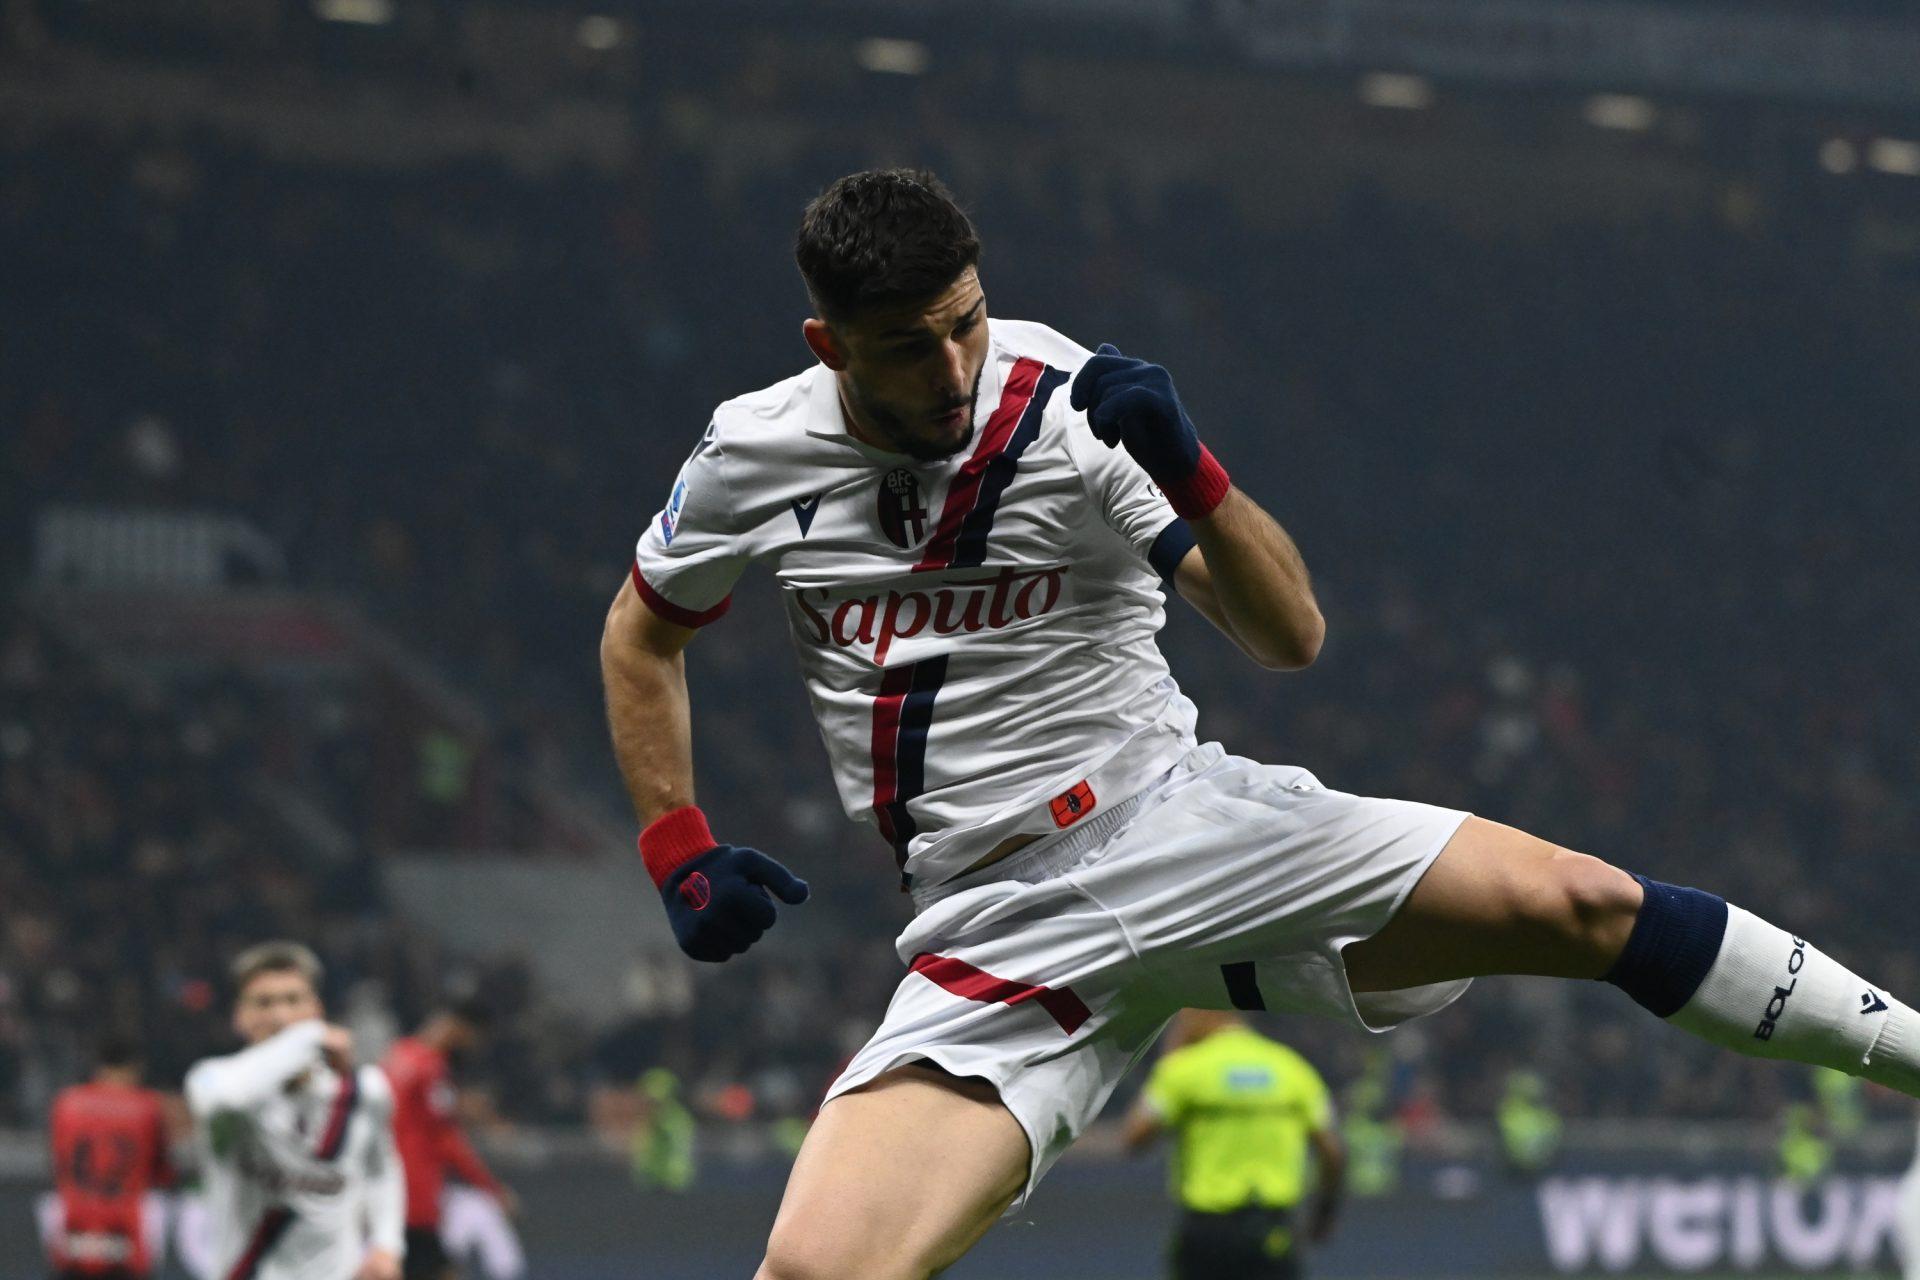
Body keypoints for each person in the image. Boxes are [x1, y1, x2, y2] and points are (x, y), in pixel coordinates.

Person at [597, 167, 1920, 1280]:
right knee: (812, 1273)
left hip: (1176, 828)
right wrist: (676, 845)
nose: (953, 369)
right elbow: (641, 635)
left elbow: (1290, 635)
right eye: (907, 345)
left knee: (1585, 904)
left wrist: (1197, 472)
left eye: (968, 323)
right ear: (828, 345)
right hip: (994, 926)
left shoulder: (1067, 410)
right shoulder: (751, 453)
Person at [184, 942, 404, 1280]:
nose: (280, 1016)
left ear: (316, 1008)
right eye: (264, 1003)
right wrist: (308, 1038)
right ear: (239, 1017)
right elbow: (223, 1099)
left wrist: (386, 1244)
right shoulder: (213, 1080)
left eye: (293, 1000)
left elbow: (380, 1168)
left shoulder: (363, 1090)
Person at [1123, 1011, 1344, 1279]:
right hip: (1272, 1231)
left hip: (1208, 1234)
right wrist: (1323, 1215)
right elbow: (1332, 1153)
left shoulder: (1186, 1069)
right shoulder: (1292, 1069)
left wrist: (1169, 1060)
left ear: (1204, 1013)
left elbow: (1135, 1138)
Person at [382, 1005, 515, 1280]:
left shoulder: (397, 1055)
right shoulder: (430, 1069)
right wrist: (490, 1187)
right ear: (462, 1030)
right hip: (414, 1194)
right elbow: (447, 1141)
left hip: (387, 1187)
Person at [46, 1035, 177, 1280]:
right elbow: (162, 1171)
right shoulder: (147, 1105)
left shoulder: (67, 1101)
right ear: (135, 1067)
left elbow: (57, 1161)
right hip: (124, 1230)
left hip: (76, 1226)